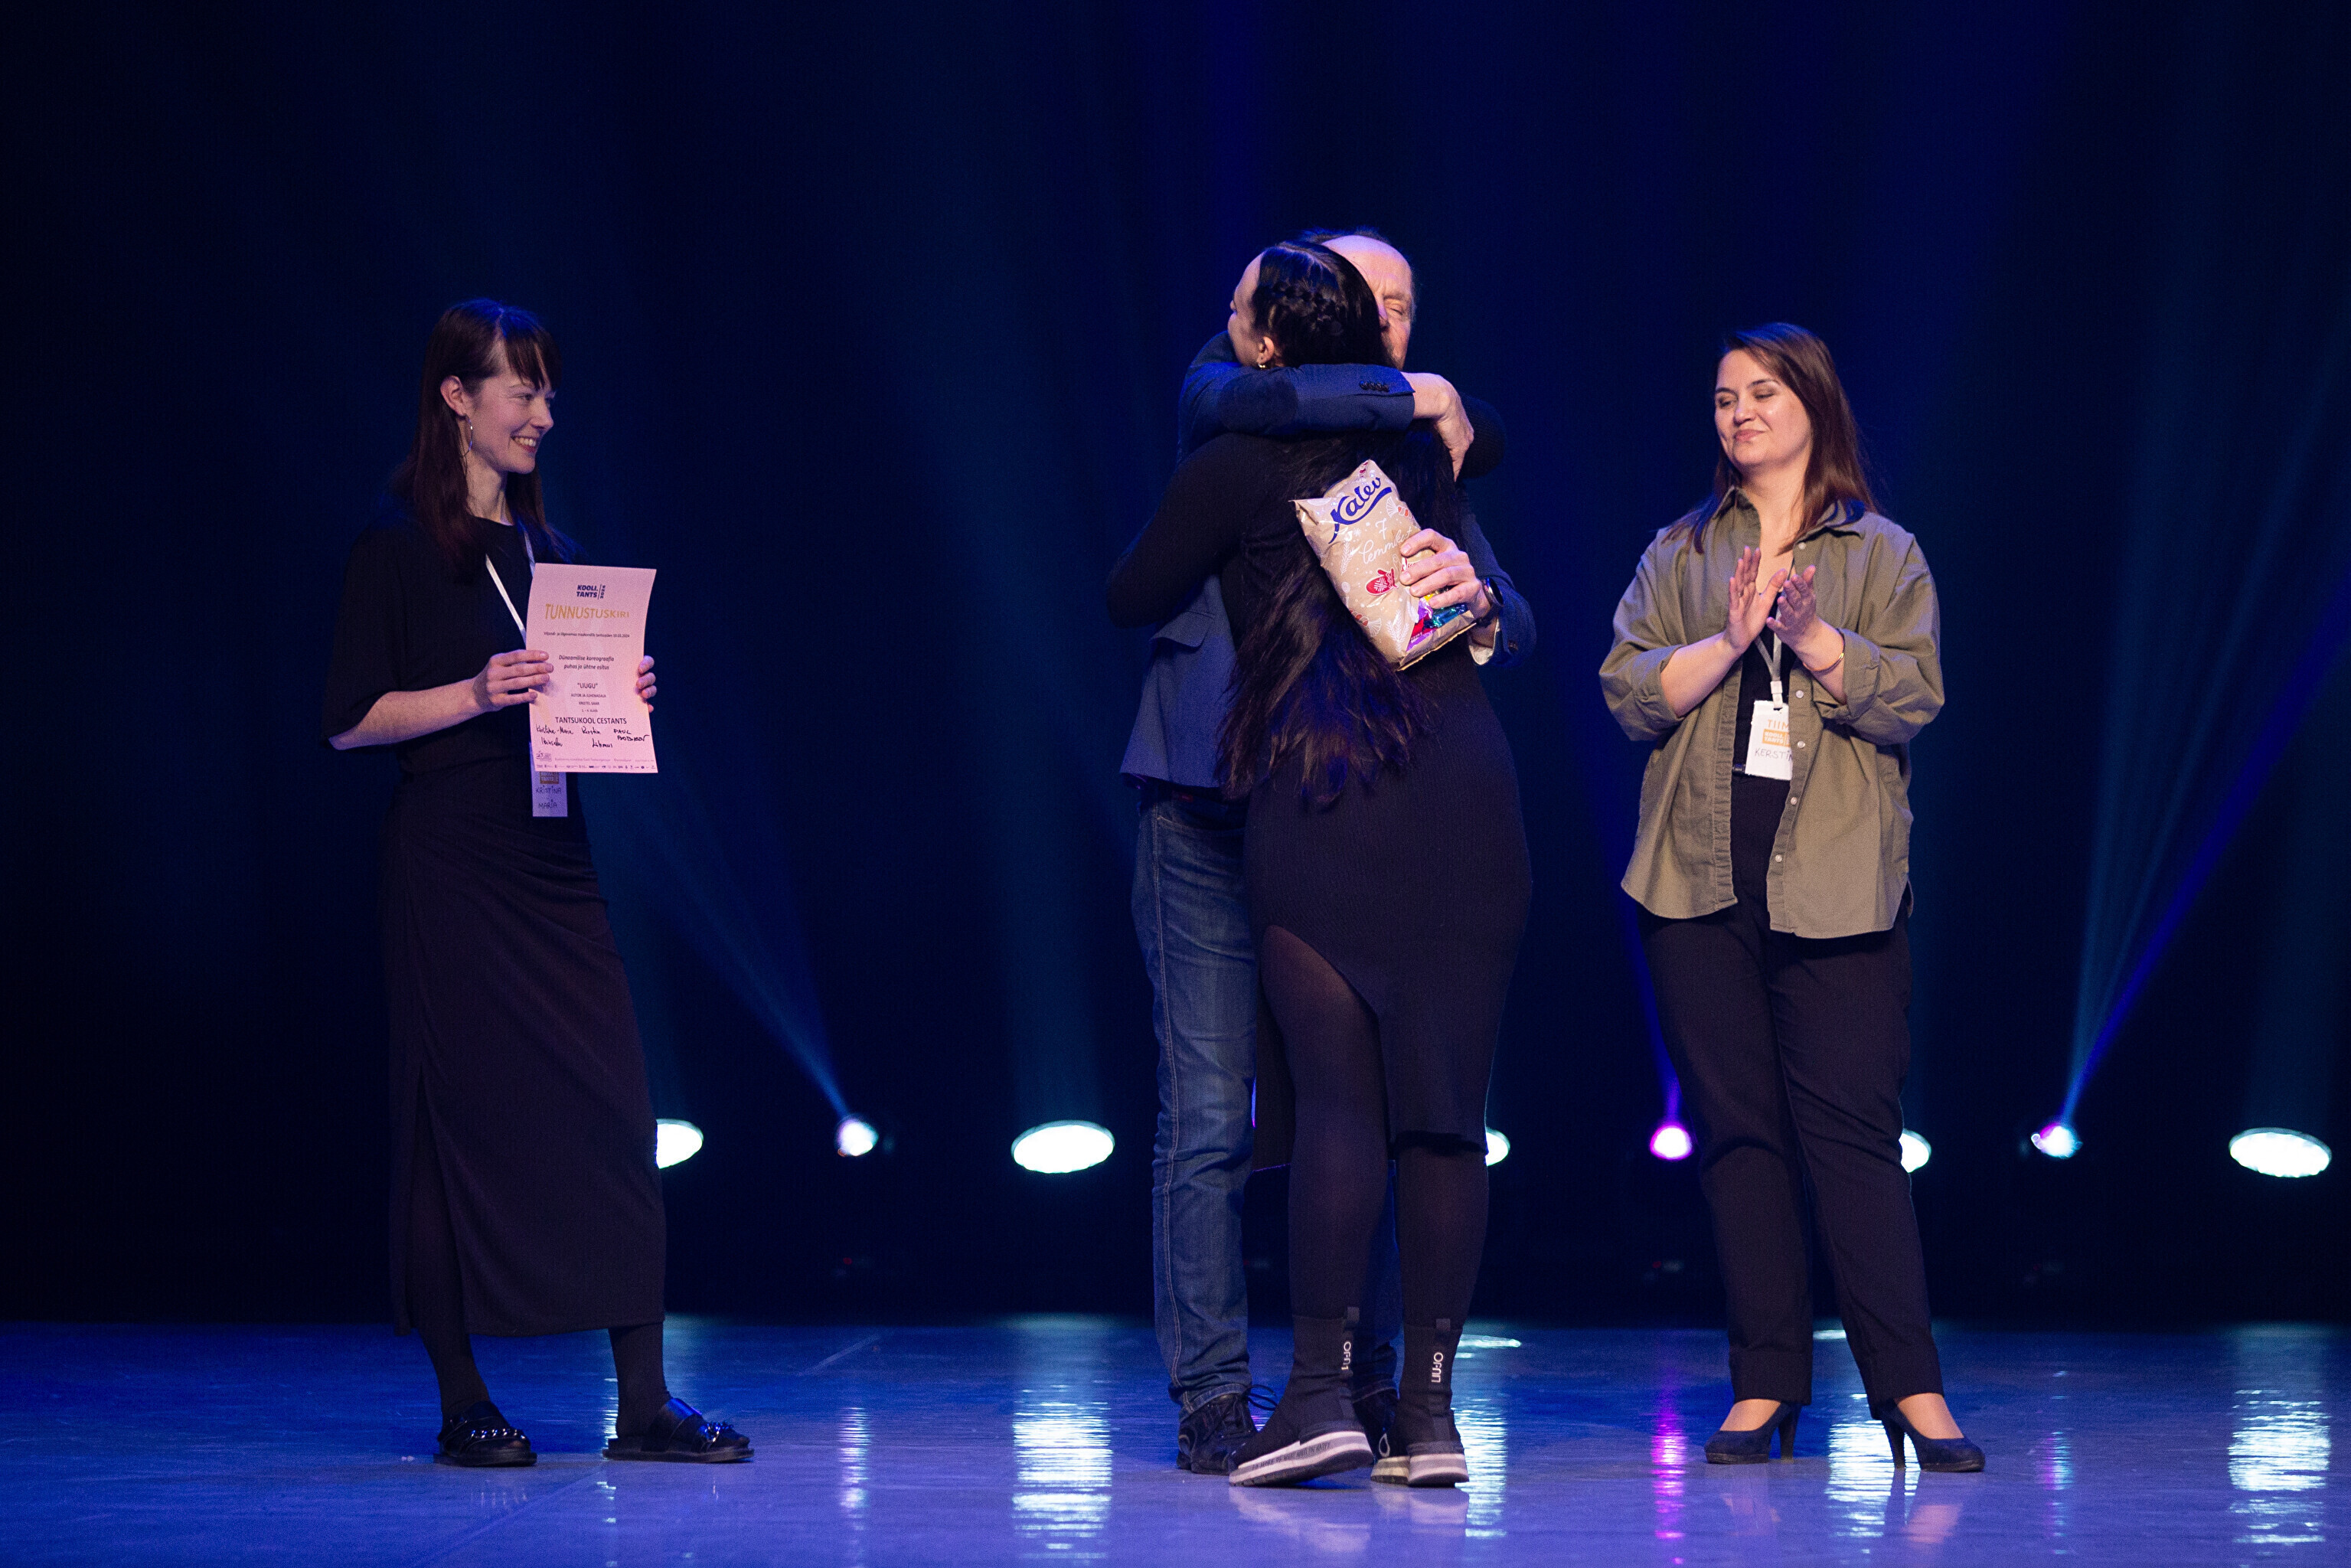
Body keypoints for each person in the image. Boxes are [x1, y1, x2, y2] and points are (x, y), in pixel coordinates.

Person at [1111, 243, 1532, 1488]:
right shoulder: (1250, 409)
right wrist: (1420, 395)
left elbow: (1131, 588)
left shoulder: (1368, 457)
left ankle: (1336, 1393)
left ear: (1272, 330)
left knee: (1355, 1109)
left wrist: (1479, 598)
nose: (1396, 329)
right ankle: (1331, 1406)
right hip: (1286, 800)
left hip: (1328, 791)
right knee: (1325, 1117)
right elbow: (1241, 398)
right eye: (1373, 307)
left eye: (1408, 308)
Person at [323, 299, 749, 1468]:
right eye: (524, 391)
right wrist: (475, 692)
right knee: (448, 1124)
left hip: (553, 859)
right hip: (450, 863)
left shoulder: (553, 557)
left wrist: (617, 699)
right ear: (458, 397)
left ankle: (644, 1404)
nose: (544, 415)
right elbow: (349, 720)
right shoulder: (395, 546)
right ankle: (464, 1398)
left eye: (549, 393)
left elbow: (574, 719)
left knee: (615, 1110)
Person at [1598, 323, 1980, 1472]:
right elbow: (1627, 690)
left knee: (1854, 1141)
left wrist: (1812, 635)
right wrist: (1728, 640)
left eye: (1763, 393)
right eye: (1724, 398)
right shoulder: (1680, 549)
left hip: (1841, 884)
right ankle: (1765, 1384)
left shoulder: (1883, 552)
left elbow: (1914, 696)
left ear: (1813, 403)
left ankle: (1909, 1387)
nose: (1740, 413)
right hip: (1694, 882)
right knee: (1739, 1139)